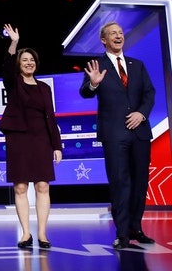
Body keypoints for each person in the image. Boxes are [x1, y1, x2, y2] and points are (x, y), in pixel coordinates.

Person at [79, 21, 155, 249]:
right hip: (114, 134)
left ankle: (136, 228)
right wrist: (93, 84)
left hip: (140, 133)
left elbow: (149, 93)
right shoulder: (97, 66)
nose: (118, 36)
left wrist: (141, 114)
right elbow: (84, 93)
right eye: (113, 33)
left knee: (140, 183)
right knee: (120, 183)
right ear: (104, 40)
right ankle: (122, 233)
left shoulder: (137, 65)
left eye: (120, 33)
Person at [0, 24, 63, 249]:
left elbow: (51, 117)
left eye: (32, 60)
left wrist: (57, 146)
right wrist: (14, 43)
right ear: (19, 63)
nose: (29, 63)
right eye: (24, 60)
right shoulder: (14, 82)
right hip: (19, 139)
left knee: (43, 186)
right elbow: (7, 66)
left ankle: (43, 234)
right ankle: (25, 234)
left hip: (41, 140)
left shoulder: (45, 88)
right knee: (20, 188)